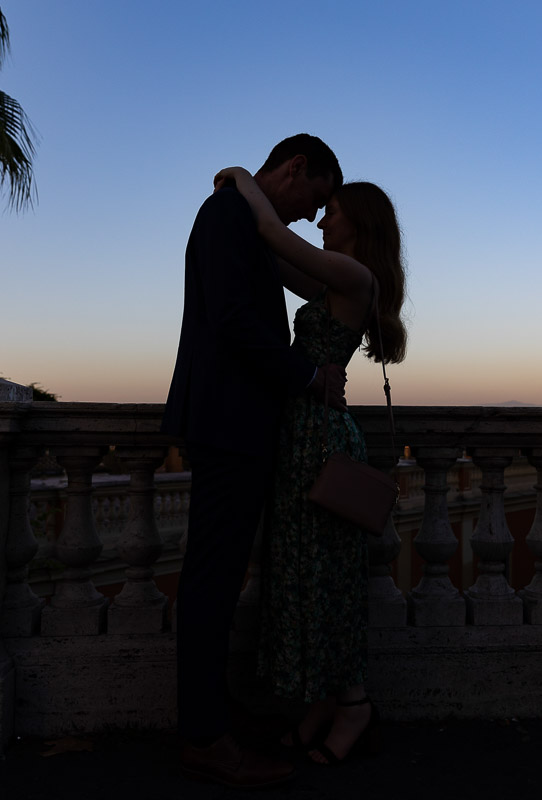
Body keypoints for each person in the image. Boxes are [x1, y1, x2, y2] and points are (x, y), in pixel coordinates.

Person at [161, 134, 347, 789]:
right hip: (228, 422)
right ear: (294, 168)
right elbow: (236, 321)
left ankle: (212, 717)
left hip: (233, 421)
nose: (306, 216)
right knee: (212, 580)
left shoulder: (243, 217)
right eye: (312, 199)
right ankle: (206, 736)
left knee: (220, 575)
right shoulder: (228, 216)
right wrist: (308, 377)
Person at [213, 166, 409, 765]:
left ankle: (353, 704)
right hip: (304, 437)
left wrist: (243, 178)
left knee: (328, 583)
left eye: (333, 212)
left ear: (358, 221)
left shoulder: (354, 275)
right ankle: (324, 701)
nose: (322, 220)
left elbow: (274, 236)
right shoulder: (334, 282)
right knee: (303, 576)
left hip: (320, 442)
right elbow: (273, 259)